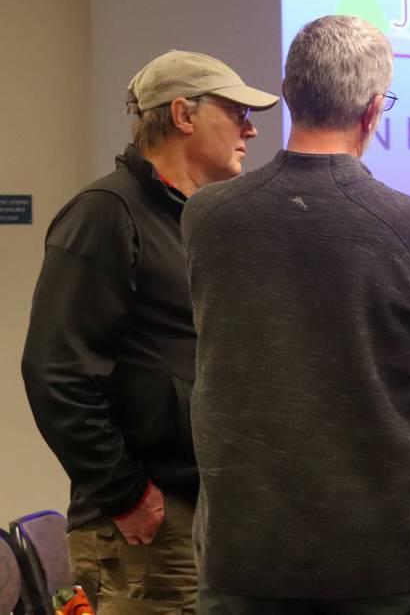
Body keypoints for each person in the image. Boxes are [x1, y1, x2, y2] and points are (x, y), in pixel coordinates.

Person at [182, 14, 410, 614]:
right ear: (374, 111)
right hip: (396, 570)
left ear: (288, 93)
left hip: (247, 566)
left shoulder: (207, 219)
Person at [21, 50, 278, 613]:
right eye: (236, 113)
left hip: (199, 511)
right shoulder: (105, 213)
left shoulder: (194, 218)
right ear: (184, 115)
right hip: (145, 526)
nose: (252, 129)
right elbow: (55, 371)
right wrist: (125, 491)